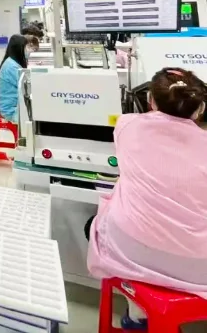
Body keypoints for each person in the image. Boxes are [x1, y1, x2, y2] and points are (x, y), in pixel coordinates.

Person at [87, 68, 207, 330]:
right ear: (199, 108)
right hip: (199, 266)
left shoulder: (127, 125)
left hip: (132, 249)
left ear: (151, 100)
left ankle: (138, 315)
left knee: (105, 214)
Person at [0, 34, 27, 123]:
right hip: (11, 110)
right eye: (26, 48)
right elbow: (25, 86)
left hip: (12, 105)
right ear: (19, 49)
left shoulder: (12, 62)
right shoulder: (11, 67)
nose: (27, 51)